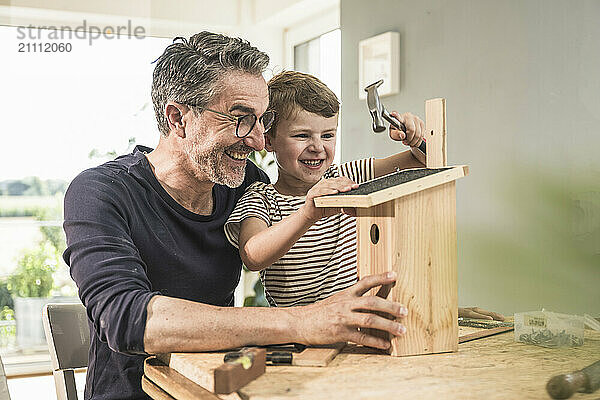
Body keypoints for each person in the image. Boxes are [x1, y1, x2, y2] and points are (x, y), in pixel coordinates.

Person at [63, 32, 412, 400]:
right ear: (178, 118)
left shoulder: (246, 183)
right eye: (241, 119)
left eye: (263, 121)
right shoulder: (101, 192)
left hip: (218, 388)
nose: (260, 141)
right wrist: (304, 321)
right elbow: (126, 318)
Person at [224, 71, 507, 320]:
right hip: (305, 332)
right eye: (302, 136)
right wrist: (306, 214)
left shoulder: (349, 176)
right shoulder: (262, 197)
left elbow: (427, 161)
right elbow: (252, 255)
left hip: (367, 320)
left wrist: (416, 139)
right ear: (269, 140)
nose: (317, 147)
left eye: (328, 135)